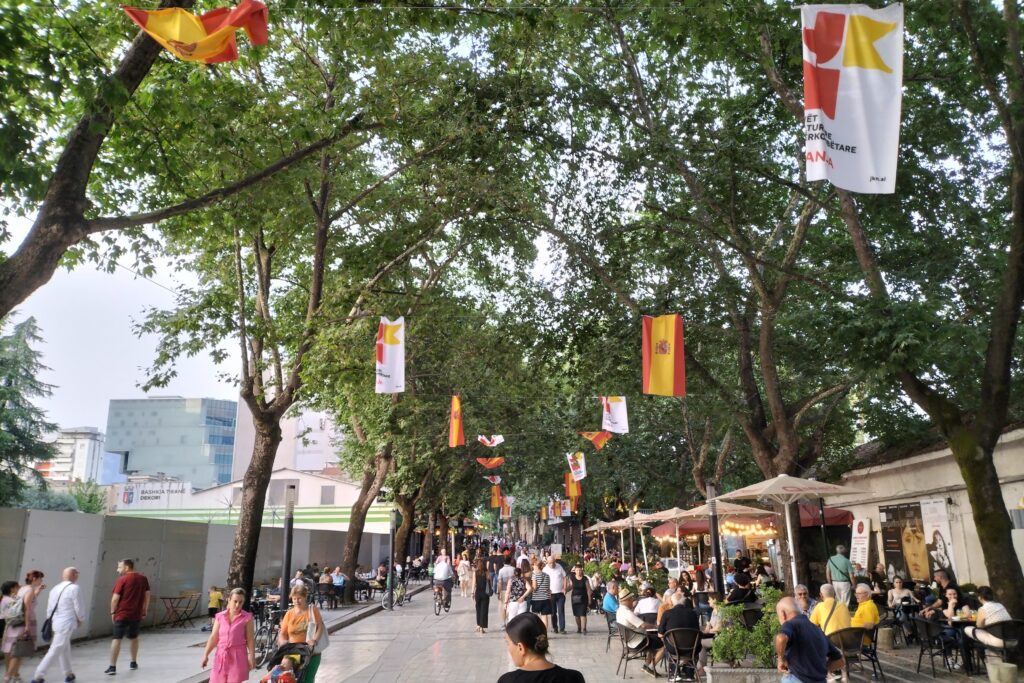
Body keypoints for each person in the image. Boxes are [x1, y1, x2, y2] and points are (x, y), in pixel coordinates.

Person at [27, 567, 82, 683]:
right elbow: (79, 606)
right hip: (66, 623)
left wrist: (50, 620)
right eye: (77, 574)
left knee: (64, 648)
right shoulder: (75, 588)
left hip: (56, 622)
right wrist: (81, 618)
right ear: (75, 575)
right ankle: (38, 676)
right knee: (56, 649)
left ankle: (69, 674)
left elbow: (50, 608)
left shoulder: (55, 588)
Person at [498, 612, 585, 683]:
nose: (508, 648)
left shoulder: (508, 680)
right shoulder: (574, 678)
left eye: (508, 643)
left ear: (521, 647)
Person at [775, 597, 846, 683]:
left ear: (783, 614)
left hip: (796, 678)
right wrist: (819, 670)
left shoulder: (790, 624)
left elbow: (781, 638)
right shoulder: (818, 630)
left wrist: (781, 659)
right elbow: (840, 661)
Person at [106, 558, 150, 675]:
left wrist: (112, 612)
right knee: (134, 638)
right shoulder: (143, 579)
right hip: (136, 614)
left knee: (117, 639)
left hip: (122, 613)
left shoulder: (123, 579)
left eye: (119, 567)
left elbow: (115, 598)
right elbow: (147, 595)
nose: (117, 570)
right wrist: (145, 610)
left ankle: (112, 666)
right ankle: (133, 662)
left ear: (126, 567)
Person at [201, 588, 255, 683]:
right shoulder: (220, 616)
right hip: (221, 655)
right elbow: (214, 637)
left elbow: (250, 639)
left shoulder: (247, 617)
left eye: (240, 602)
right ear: (229, 600)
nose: (237, 605)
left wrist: (251, 656)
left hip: (238, 655)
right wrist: (205, 655)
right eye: (235, 601)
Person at [277, 584, 324, 683]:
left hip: (311, 653)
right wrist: (283, 641)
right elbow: (283, 632)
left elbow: (320, 627)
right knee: (291, 679)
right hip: (293, 652)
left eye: (299, 598)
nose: (296, 601)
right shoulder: (289, 613)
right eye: (294, 599)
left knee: (307, 680)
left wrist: (314, 640)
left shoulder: (312, 610)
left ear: (305, 597)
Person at [615, 587, 663, 677]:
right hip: (637, 641)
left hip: (630, 641)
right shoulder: (627, 612)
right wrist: (655, 626)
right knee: (664, 645)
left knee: (653, 641)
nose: (633, 601)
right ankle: (650, 668)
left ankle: (646, 666)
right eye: (631, 599)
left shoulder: (619, 610)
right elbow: (643, 625)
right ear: (626, 600)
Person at [659, 593, 706, 677]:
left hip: (673, 648)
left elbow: (660, 634)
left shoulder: (667, 613)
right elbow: (697, 631)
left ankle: (675, 672)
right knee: (695, 646)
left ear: (672, 602)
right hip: (692, 647)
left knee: (666, 645)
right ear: (684, 602)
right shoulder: (693, 613)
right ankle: (689, 673)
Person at [543, 556, 567, 635]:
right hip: (551, 594)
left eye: (553, 562)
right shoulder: (545, 569)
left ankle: (562, 628)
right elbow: (543, 581)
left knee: (561, 611)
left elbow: (564, 577)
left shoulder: (559, 566)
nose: (552, 564)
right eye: (550, 563)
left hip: (560, 593)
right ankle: (555, 627)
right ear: (547, 562)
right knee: (553, 612)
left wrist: (564, 588)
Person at [567, 564, 591, 634]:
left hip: (584, 598)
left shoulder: (585, 578)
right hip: (575, 598)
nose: (579, 571)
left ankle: (584, 628)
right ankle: (579, 628)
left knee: (583, 614)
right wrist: (566, 588)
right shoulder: (572, 578)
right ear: (575, 571)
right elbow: (570, 587)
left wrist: (589, 599)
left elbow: (588, 589)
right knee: (577, 614)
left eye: (580, 570)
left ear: (582, 571)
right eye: (577, 570)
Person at [529, 560, 552, 630]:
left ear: (536, 566)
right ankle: (544, 633)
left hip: (537, 599)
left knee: (536, 616)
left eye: (534, 565)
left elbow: (535, 587)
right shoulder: (547, 575)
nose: (533, 566)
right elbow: (548, 587)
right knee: (544, 616)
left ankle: (538, 632)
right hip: (546, 598)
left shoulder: (534, 575)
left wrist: (530, 588)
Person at [472, 559, 492, 634]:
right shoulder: (487, 573)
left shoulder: (475, 573)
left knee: (478, 609)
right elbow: (490, 582)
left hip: (478, 593)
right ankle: (482, 628)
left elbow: (474, 584)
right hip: (485, 594)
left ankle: (478, 625)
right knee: (484, 610)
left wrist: (472, 593)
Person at [497, 557, 517, 627]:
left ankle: (504, 623)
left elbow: (500, 582)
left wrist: (498, 592)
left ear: (503, 562)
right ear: (510, 562)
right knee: (511, 606)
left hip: (503, 590)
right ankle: (510, 621)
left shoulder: (501, 570)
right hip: (512, 590)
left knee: (503, 606)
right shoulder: (513, 569)